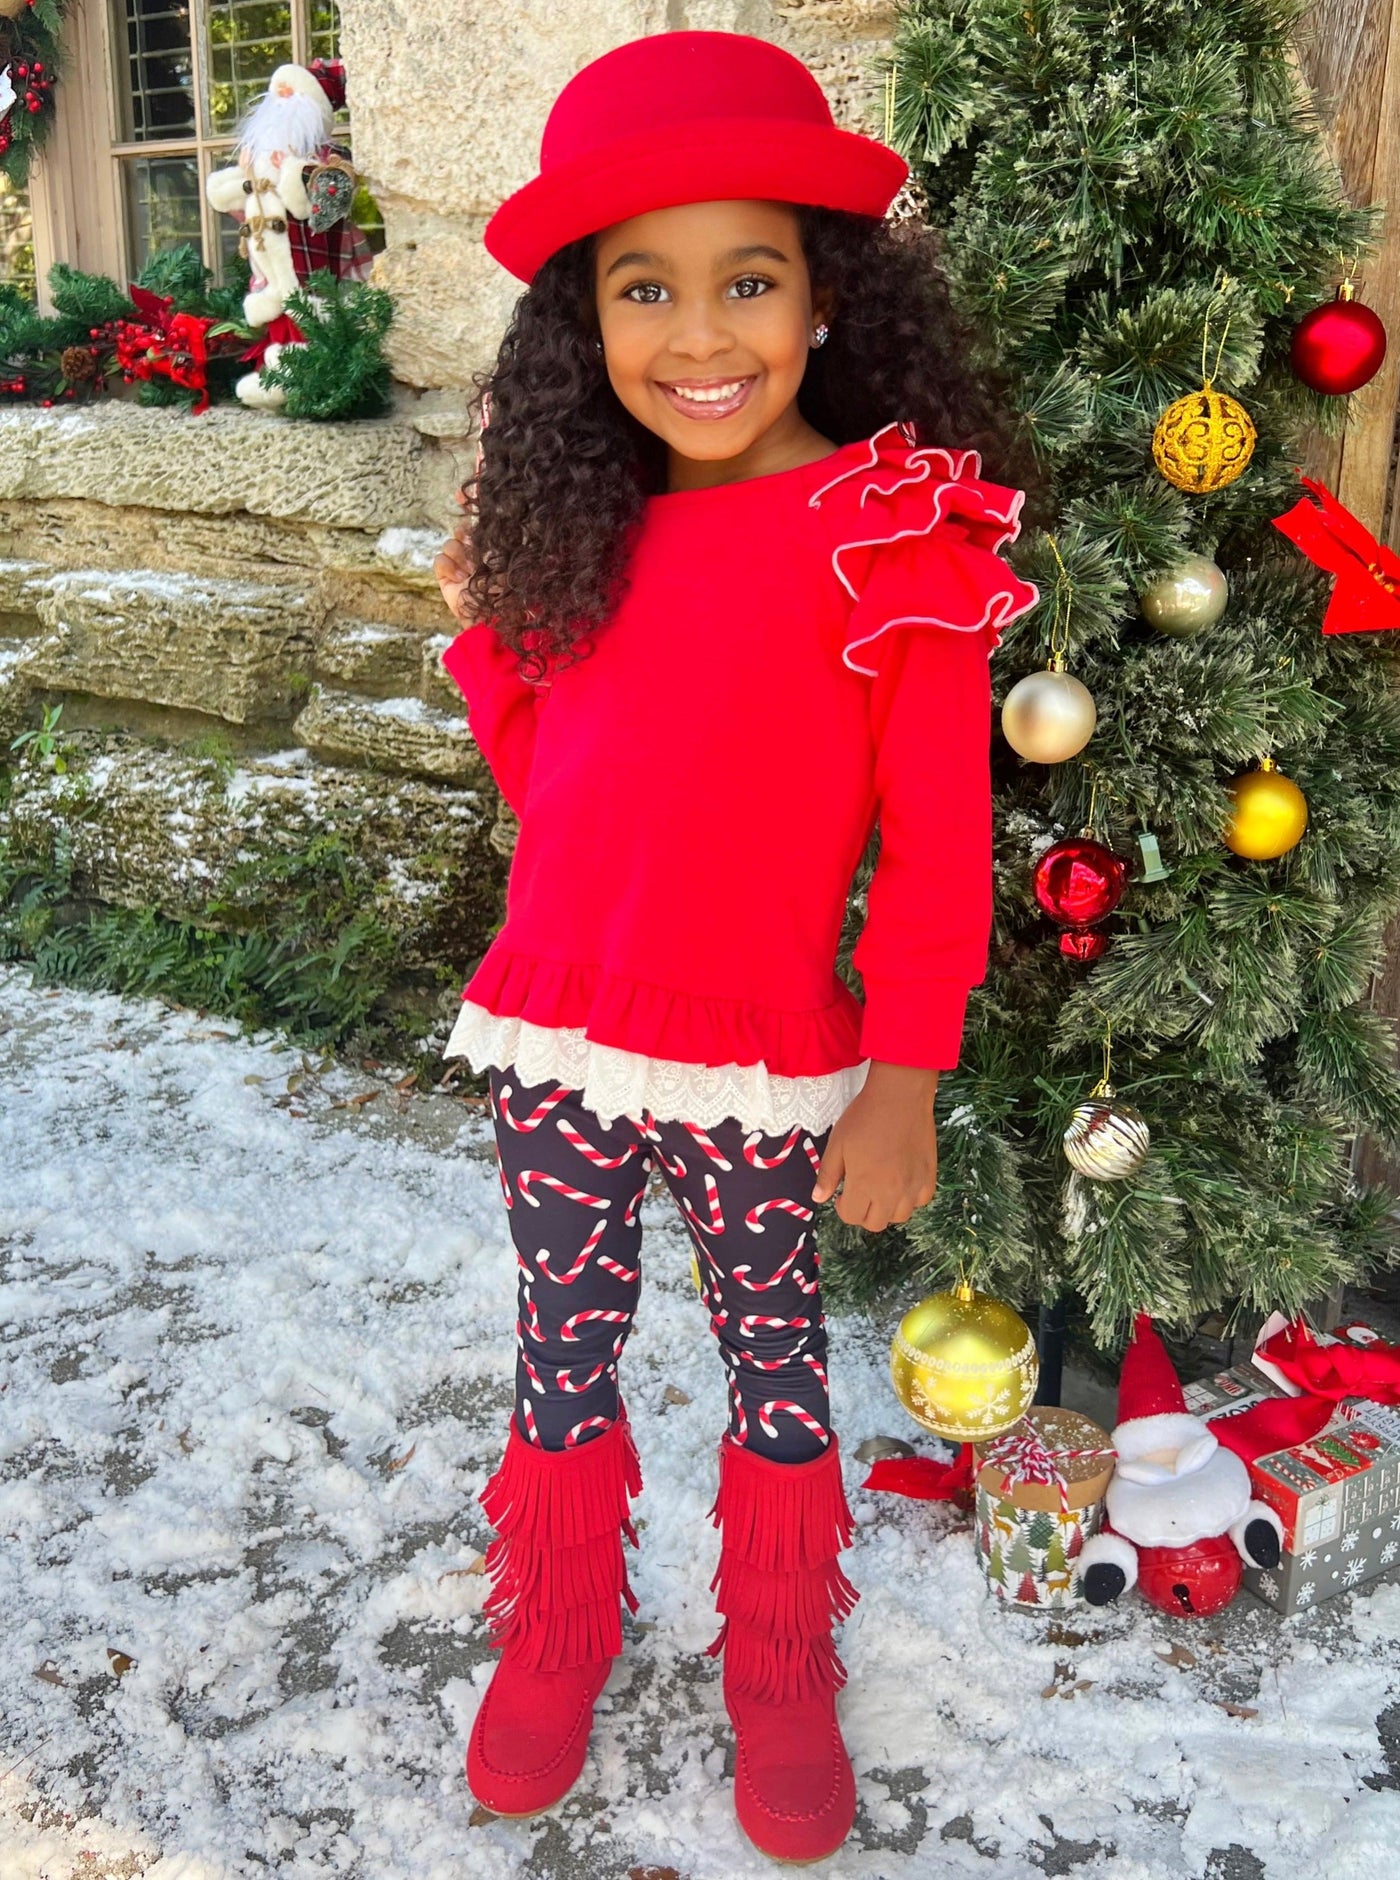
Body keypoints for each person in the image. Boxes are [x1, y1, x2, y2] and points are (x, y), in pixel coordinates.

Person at [432, 30, 1041, 1865]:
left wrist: (906, 1075)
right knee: (563, 1344)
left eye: (748, 280)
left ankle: (777, 1658)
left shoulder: (892, 536)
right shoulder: (585, 521)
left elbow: (937, 844)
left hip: (766, 1055)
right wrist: (492, 641)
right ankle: (558, 1621)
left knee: (775, 1361)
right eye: (646, 289)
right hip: (559, 1031)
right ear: (586, 322)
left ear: (827, 294)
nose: (700, 336)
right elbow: (556, 780)